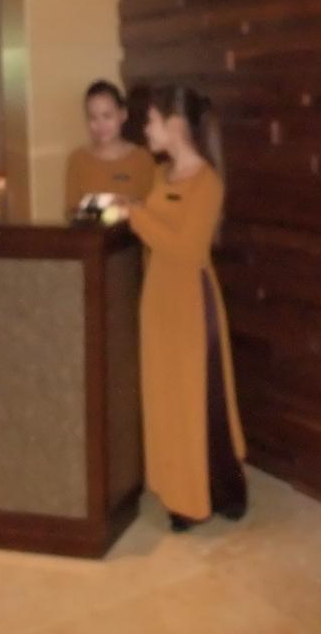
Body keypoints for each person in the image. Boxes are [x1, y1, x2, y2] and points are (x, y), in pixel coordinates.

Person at [116, 85, 247, 531]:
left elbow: (188, 249)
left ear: (174, 124)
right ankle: (178, 491)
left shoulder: (208, 183)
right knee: (167, 399)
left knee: (200, 401)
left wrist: (135, 215)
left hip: (192, 302)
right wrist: (132, 210)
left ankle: (218, 492)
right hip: (159, 300)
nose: (145, 129)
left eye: (150, 120)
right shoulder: (159, 175)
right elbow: (157, 235)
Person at [64, 80, 156, 219]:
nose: (100, 125)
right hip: (90, 231)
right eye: (92, 118)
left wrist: (126, 206)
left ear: (123, 115)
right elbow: (71, 212)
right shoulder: (77, 159)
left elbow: (152, 210)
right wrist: (106, 207)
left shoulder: (142, 158)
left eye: (107, 116)